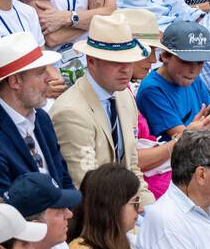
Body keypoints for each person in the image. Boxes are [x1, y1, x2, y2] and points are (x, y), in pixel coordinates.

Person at [46, 10, 150, 198]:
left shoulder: (125, 97)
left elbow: (132, 166)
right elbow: (86, 185)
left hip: (124, 206)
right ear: (91, 62)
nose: (126, 69)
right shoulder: (70, 112)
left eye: (129, 61)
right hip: (97, 216)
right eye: (116, 62)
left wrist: (147, 207)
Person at [0, 30, 72, 203]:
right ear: (15, 81)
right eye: (40, 72)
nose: (49, 77)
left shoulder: (41, 118)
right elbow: (6, 214)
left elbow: (63, 179)